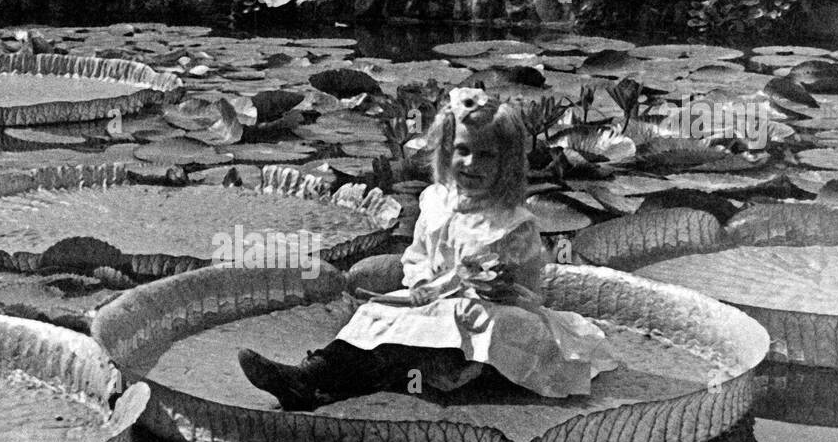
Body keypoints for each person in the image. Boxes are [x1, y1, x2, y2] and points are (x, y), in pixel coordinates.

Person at [237, 88, 619, 411]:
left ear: (505, 163)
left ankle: (338, 385)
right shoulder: (435, 201)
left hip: (495, 312)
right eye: (463, 151)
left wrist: (504, 289)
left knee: (465, 325)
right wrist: (420, 281)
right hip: (436, 300)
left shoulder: (514, 223)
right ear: (447, 153)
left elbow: (528, 291)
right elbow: (418, 255)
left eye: (487, 156)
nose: (472, 163)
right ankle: (310, 375)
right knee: (377, 314)